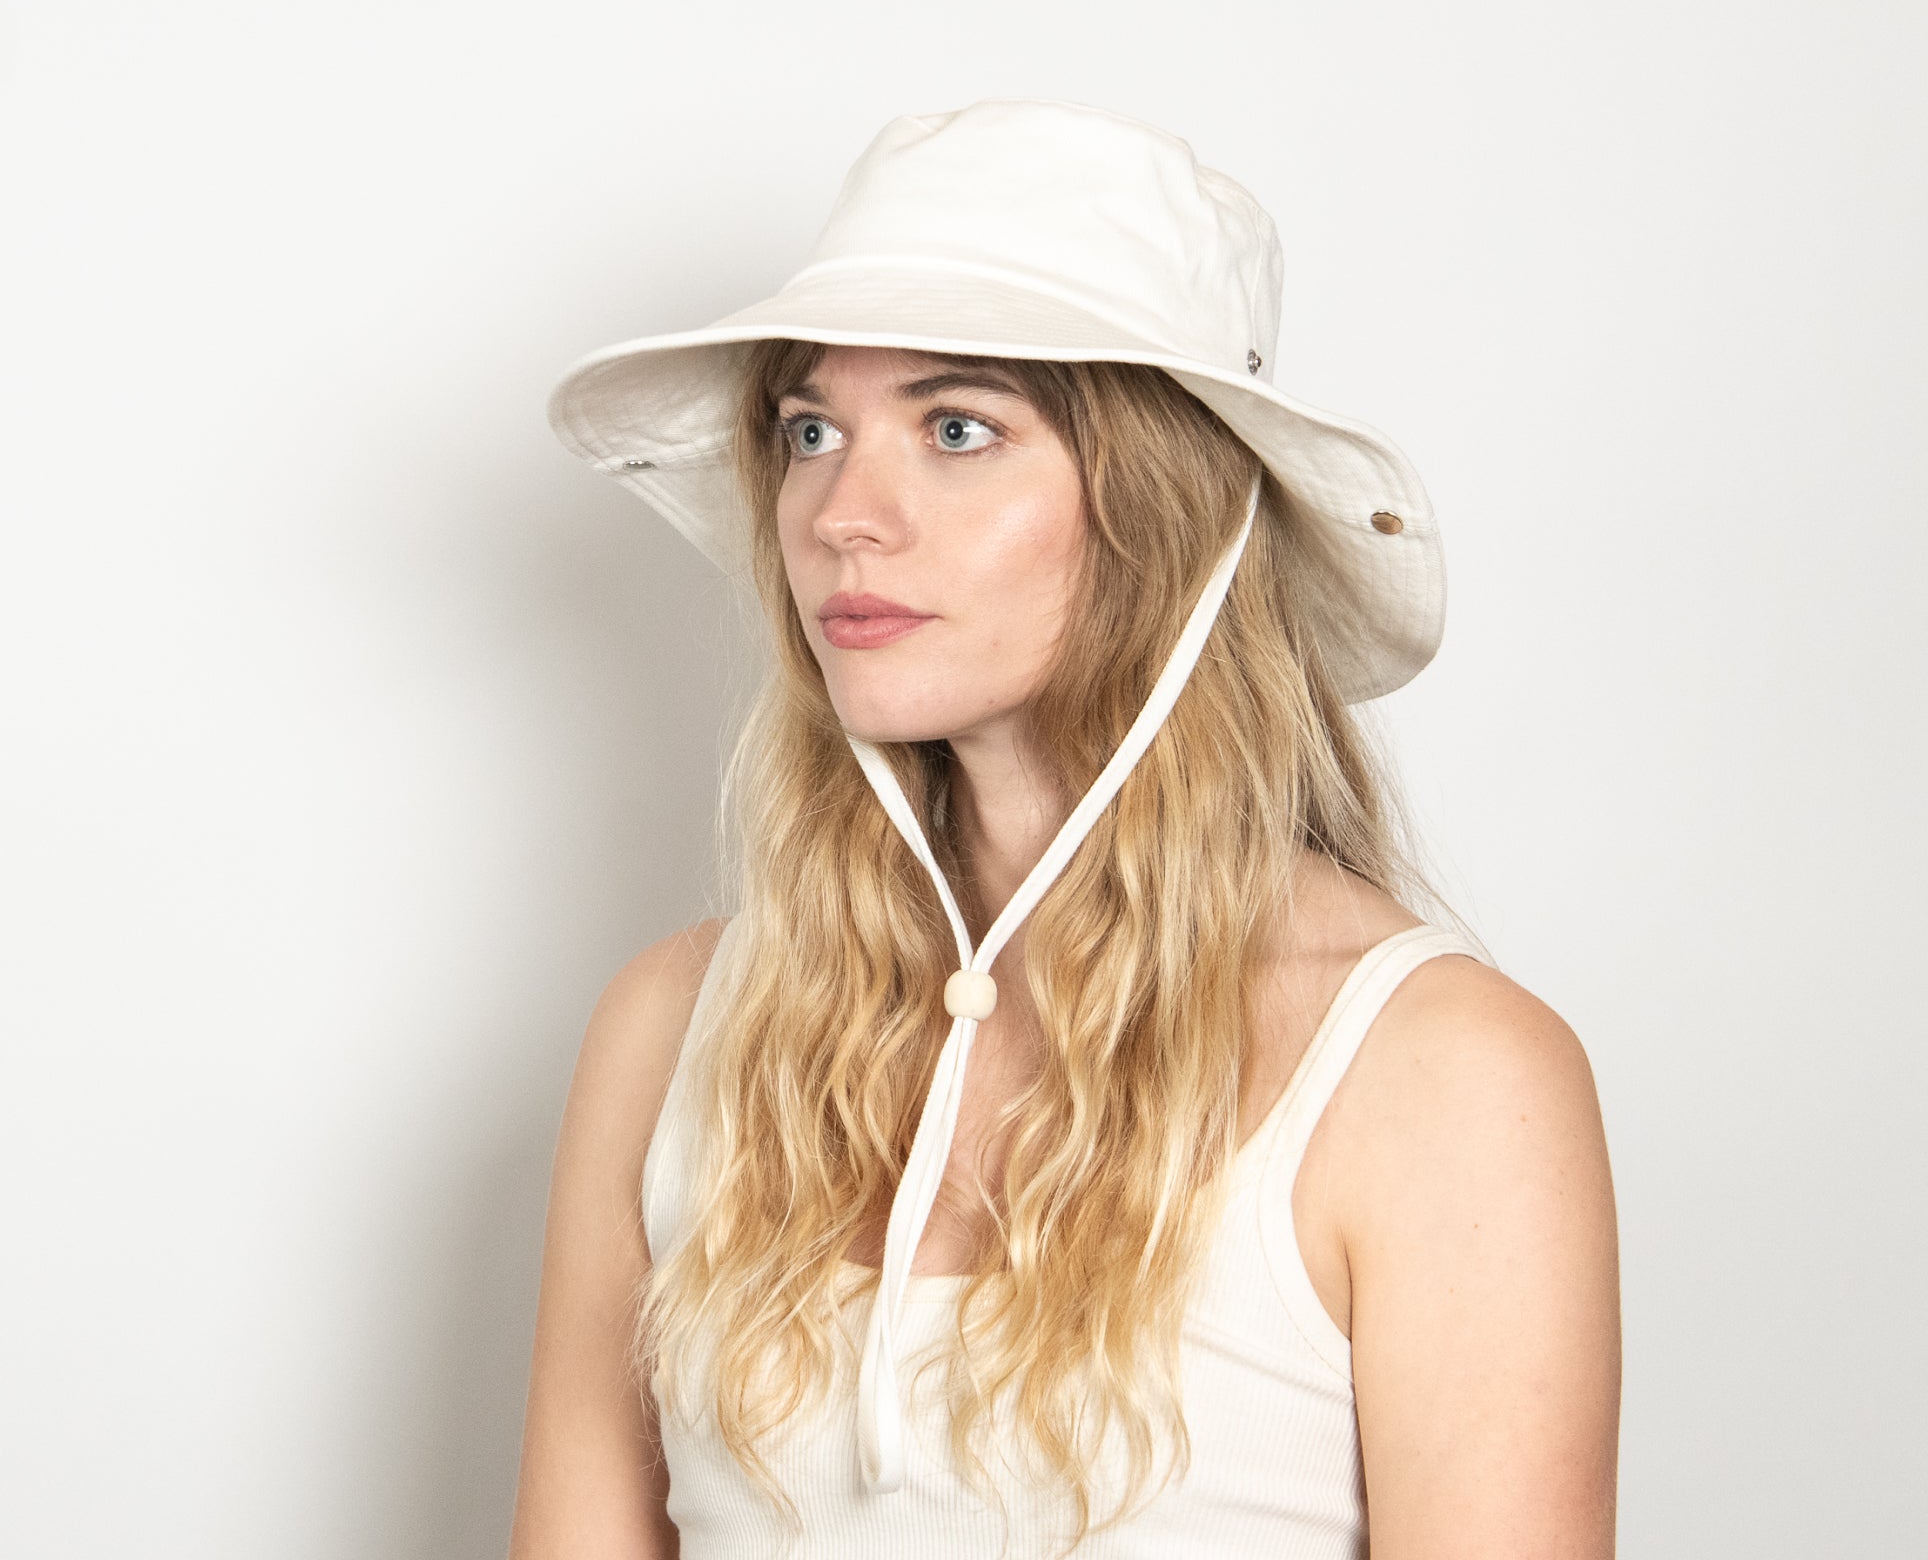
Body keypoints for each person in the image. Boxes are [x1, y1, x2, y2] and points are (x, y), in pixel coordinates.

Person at [507, 100, 1621, 1558]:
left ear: (1166, 510)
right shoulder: (675, 1032)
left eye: (958, 427)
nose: (844, 511)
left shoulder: (1440, 1079)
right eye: (809, 429)